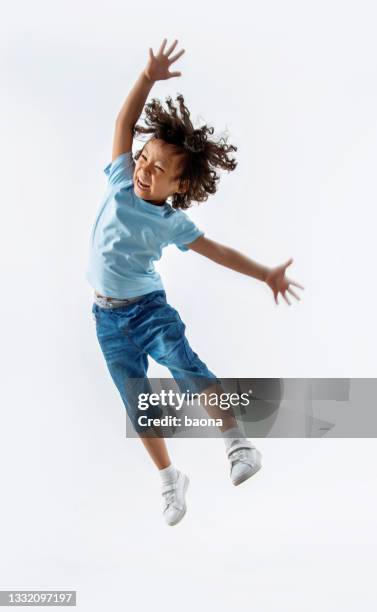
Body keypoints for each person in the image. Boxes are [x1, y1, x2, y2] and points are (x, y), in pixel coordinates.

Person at [86, 37, 304, 526]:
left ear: (178, 186)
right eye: (144, 158)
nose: (144, 169)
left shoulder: (171, 222)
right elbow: (124, 123)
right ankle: (170, 481)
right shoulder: (121, 178)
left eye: (158, 169)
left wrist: (265, 272)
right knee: (136, 401)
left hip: (147, 310)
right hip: (105, 318)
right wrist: (146, 77)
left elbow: (217, 252)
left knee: (186, 369)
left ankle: (237, 441)